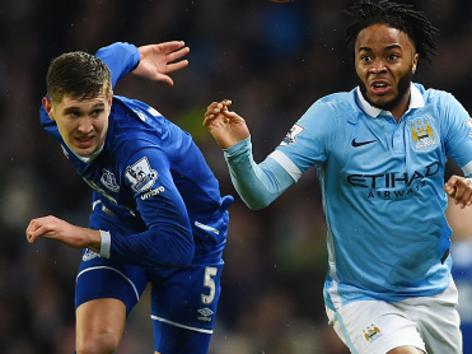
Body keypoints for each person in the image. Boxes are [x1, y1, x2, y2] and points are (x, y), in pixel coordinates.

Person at [203, 1, 472, 353]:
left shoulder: (441, 110)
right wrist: (238, 152)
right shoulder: (330, 118)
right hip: (363, 296)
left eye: (391, 57)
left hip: (434, 292)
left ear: (414, 60)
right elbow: (260, 192)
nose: (377, 68)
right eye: (366, 57)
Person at [26, 40, 233, 354]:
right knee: (95, 345)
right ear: (49, 109)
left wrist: (86, 236)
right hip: (122, 216)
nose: (85, 127)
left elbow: (176, 246)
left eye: (96, 111)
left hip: (191, 238)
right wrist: (137, 55)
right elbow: (113, 54)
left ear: (109, 101)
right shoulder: (90, 83)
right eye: (73, 114)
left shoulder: (138, 155)